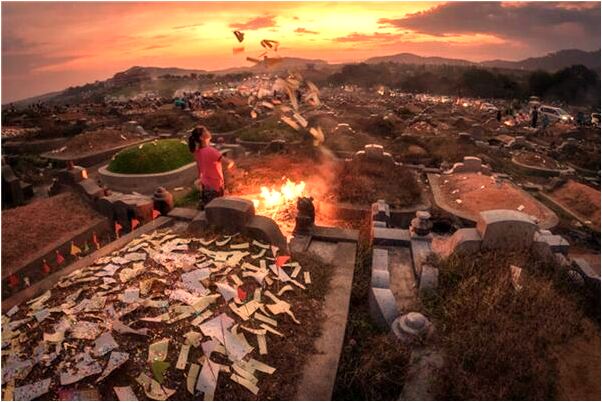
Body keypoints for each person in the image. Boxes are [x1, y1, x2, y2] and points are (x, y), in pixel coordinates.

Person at [188, 126, 234, 209]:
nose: (208, 131)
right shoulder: (211, 151)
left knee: (209, 209)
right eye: (205, 131)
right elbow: (227, 163)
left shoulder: (197, 152)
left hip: (205, 185)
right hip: (215, 186)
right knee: (217, 210)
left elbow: (200, 169)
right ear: (202, 138)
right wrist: (231, 163)